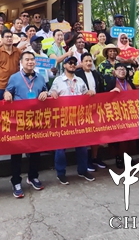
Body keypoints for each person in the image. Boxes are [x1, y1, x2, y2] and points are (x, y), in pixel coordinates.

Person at [4, 51, 50, 198]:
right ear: (21, 62)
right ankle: (16, 181)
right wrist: (7, 94)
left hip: (36, 121)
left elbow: (45, 91)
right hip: (19, 122)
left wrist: (46, 93)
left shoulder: (40, 77)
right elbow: (7, 91)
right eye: (27, 59)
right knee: (17, 153)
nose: (30, 62)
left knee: (35, 151)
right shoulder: (14, 78)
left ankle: (33, 176)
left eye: (32, 59)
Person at [50, 56, 96, 184]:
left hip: (79, 118)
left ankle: (83, 170)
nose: (72, 65)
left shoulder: (80, 80)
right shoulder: (58, 80)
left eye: (74, 63)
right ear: (64, 65)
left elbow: (85, 94)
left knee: (82, 147)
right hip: (63, 119)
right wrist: (52, 93)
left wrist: (90, 93)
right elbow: (51, 93)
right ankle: (61, 173)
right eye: (69, 63)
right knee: (60, 148)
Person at [75, 53, 107, 171]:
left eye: (90, 61)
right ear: (81, 63)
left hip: (96, 108)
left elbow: (101, 89)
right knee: (86, 135)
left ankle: (95, 157)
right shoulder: (77, 75)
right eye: (86, 61)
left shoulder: (96, 74)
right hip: (82, 109)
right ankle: (86, 160)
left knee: (97, 134)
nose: (88, 63)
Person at [106, 63, 137, 169]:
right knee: (118, 138)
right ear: (114, 72)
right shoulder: (111, 83)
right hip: (116, 115)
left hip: (129, 114)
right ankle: (118, 157)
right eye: (119, 69)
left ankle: (127, 156)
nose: (122, 71)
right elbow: (104, 97)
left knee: (130, 138)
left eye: (123, 69)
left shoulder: (129, 82)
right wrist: (111, 92)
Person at [0, 30, 21, 100]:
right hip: (2, 85)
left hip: (16, 84)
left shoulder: (18, 51)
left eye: (11, 37)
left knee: (16, 105)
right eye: (7, 37)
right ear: (2, 39)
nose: (9, 39)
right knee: (1, 105)